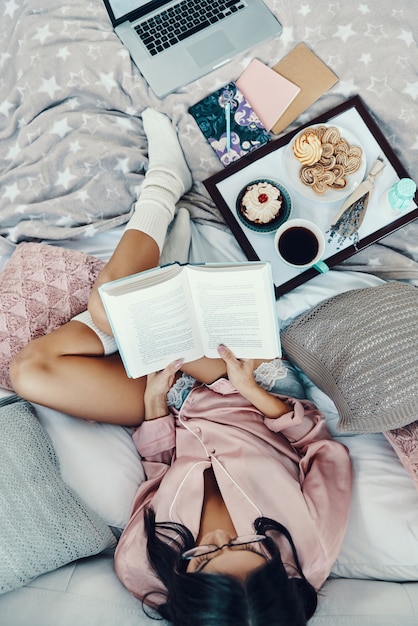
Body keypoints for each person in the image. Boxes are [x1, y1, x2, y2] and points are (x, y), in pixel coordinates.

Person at [9, 109, 352, 625]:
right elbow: (319, 447)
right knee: (110, 307)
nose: (215, 537)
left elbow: (156, 477)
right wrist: (251, 391)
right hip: (240, 385)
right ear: (280, 572)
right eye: (244, 544)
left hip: (170, 405)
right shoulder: (310, 548)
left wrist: (151, 411)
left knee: (30, 372)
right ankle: (164, 185)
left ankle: (156, 258)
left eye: (203, 557)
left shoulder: (143, 570)